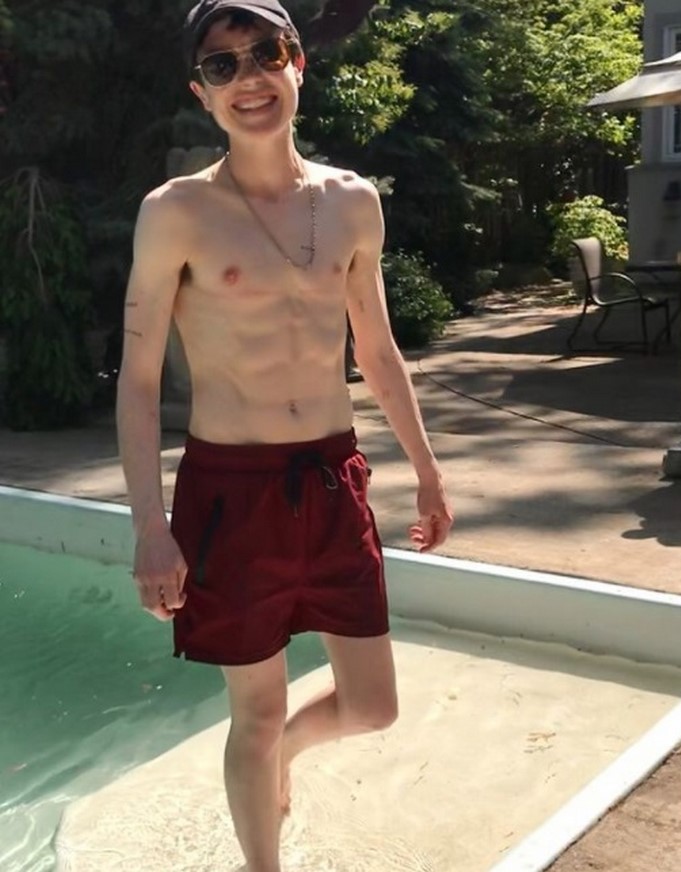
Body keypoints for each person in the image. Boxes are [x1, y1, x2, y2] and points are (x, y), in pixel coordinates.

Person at [115, 2, 453, 870]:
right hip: (231, 490)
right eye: (222, 66)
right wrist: (151, 525)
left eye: (264, 53)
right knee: (256, 712)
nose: (249, 78)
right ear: (202, 93)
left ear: (297, 63)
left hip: (334, 478)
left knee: (372, 706)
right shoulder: (176, 211)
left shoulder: (352, 203)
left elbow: (376, 348)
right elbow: (140, 377)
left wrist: (426, 468)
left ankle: (287, 755)